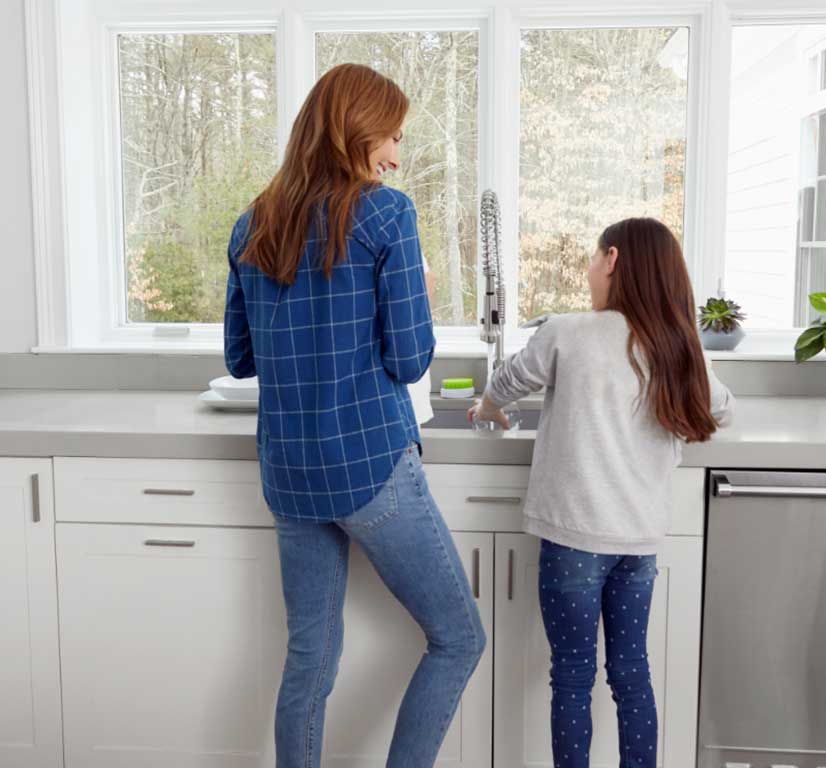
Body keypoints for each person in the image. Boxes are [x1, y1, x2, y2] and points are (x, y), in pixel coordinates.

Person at [224, 63, 485, 768]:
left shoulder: (254, 220)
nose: (397, 155)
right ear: (357, 130)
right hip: (372, 470)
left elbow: (240, 359)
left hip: (291, 477)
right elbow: (409, 360)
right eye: (393, 136)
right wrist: (417, 291)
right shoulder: (387, 213)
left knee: (309, 657)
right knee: (461, 637)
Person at [470, 217, 734, 768]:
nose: (589, 270)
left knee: (571, 677)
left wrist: (489, 408)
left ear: (612, 259)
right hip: (636, 546)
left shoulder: (568, 332)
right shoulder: (677, 346)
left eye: (593, 257)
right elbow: (722, 407)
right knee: (631, 674)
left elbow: (509, 381)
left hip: (573, 541)